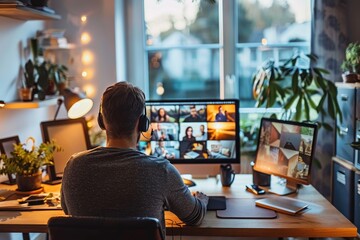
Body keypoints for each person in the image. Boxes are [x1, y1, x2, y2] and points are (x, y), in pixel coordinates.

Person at [61, 82, 208, 238]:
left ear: (102, 121)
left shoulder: (73, 167)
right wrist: (202, 200)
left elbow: (67, 209)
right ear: (142, 123)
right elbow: (194, 217)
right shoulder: (161, 171)